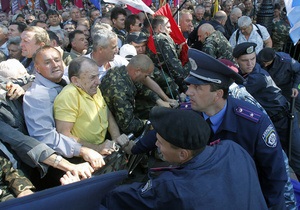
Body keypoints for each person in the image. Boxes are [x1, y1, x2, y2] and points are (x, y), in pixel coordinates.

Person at [100, 107, 268, 209]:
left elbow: (121, 198)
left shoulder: (172, 186)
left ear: (183, 154)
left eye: (160, 143)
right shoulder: (233, 149)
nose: (156, 145)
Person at [184, 49, 287, 209]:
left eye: (197, 87)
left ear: (217, 94)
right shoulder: (186, 115)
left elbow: (275, 175)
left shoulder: (253, 123)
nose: (188, 92)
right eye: (190, 85)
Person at [23, 46, 105, 171]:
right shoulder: (36, 96)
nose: (55, 65)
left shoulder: (68, 80)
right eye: (47, 62)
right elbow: (45, 137)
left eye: (57, 60)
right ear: (37, 68)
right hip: (62, 161)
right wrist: (82, 150)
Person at [233, 42, 300, 182]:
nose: (250, 63)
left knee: (297, 159)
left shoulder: (256, 77)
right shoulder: (246, 74)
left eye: (253, 59)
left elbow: (234, 94)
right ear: (236, 61)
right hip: (273, 122)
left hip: (285, 121)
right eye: (245, 60)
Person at [53, 57, 129, 155]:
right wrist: (97, 148)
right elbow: (64, 135)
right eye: (92, 77)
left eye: (98, 76)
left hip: (104, 146)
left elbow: (106, 112)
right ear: (75, 80)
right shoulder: (69, 96)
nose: (98, 82)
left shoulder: (93, 89)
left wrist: (116, 137)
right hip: (84, 157)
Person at [100, 54, 171, 136]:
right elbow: (128, 125)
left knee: (154, 108)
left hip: (121, 114)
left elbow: (140, 88)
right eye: (146, 76)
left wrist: (159, 101)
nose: (146, 78)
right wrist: (149, 123)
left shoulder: (121, 71)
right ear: (137, 71)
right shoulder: (120, 92)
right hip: (113, 127)